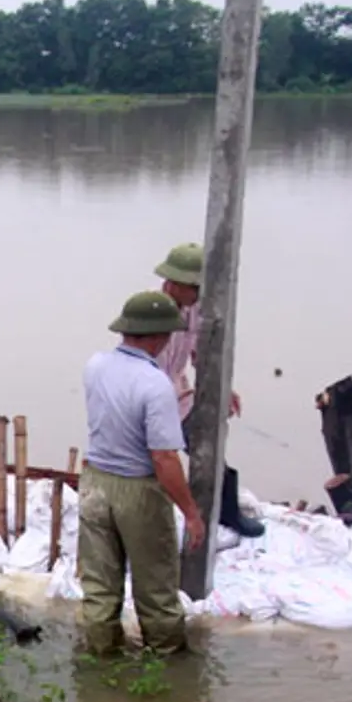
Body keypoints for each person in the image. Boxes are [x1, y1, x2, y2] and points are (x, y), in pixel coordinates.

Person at [80, 291, 208, 656]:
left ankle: (100, 664)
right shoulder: (155, 385)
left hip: (94, 484)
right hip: (137, 491)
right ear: (157, 337)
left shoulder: (95, 365)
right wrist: (191, 513)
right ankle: (168, 668)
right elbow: (165, 458)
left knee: (100, 587)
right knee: (156, 590)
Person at [151, 242, 266, 538]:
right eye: (194, 288)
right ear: (175, 284)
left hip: (177, 392)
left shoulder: (196, 309)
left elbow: (201, 353)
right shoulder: (151, 311)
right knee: (154, 464)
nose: (199, 294)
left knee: (208, 450)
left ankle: (225, 513)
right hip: (150, 398)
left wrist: (222, 388)